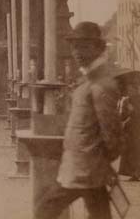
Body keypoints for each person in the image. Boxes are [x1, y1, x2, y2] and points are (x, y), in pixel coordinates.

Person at [35, 21, 123, 219]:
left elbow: (111, 132)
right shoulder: (90, 80)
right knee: (99, 214)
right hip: (85, 167)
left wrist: (102, 161)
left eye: (84, 46)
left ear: (99, 49)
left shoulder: (101, 84)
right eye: (74, 46)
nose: (76, 52)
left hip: (84, 168)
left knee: (44, 210)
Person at [119, 82, 140, 181]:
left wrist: (134, 111)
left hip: (137, 129)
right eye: (129, 89)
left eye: (132, 89)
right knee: (130, 151)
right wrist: (126, 112)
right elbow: (122, 116)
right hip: (130, 130)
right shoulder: (126, 101)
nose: (130, 91)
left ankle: (137, 172)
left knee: (137, 151)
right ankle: (133, 173)